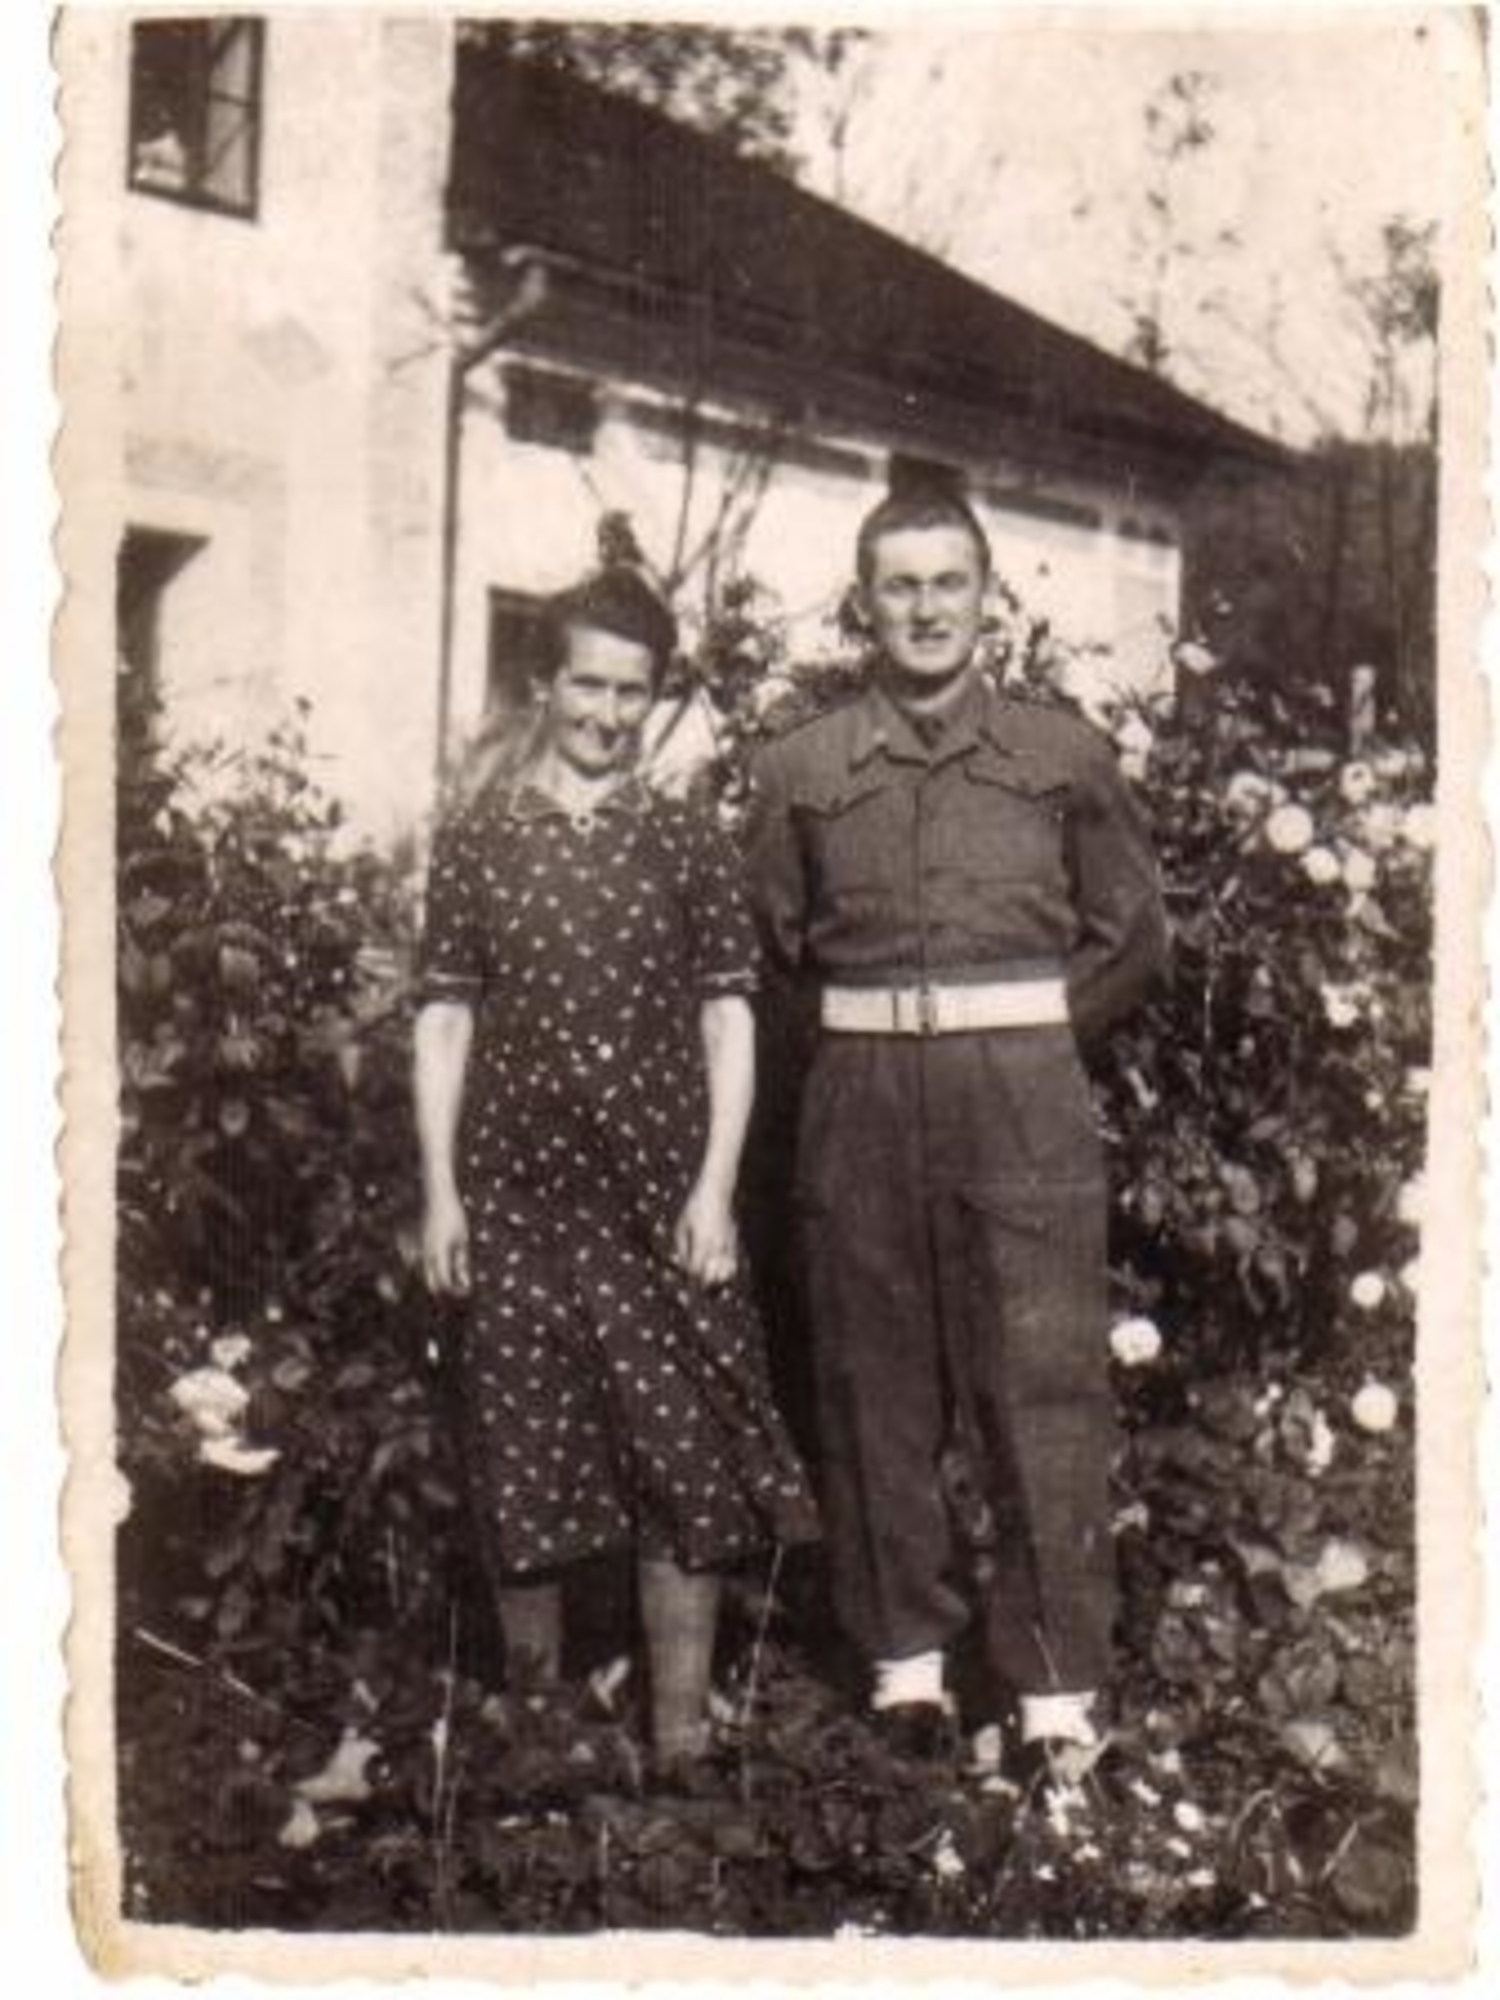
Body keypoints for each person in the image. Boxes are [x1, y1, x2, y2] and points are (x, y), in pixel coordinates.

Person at [745, 489, 1169, 1780]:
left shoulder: (1063, 756)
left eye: (948, 582)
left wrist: (1025, 1040)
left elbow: (1131, 939)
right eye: (900, 584)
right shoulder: (801, 769)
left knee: (1041, 1382)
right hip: (861, 1094)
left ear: (988, 598)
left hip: (1019, 1098)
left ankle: (1053, 1694)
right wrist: (864, 1056)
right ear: (862, 604)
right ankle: (908, 1672)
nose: (925, 608)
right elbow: (774, 955)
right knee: (872, 1378)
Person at [414, 565, 816, 1775]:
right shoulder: (481, 837)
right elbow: (444, 1016)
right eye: (586, 684)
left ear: (655, 697)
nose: (605, 711)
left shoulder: (685, 838)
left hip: (657, 1194)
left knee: (680, 1445)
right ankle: (537, 1738)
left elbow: (729, 1017)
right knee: (521, 1442)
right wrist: (441, 1190)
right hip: (515, 1192)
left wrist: (714, 1188)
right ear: (546, 684)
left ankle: (680, 1738)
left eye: (630, 691)